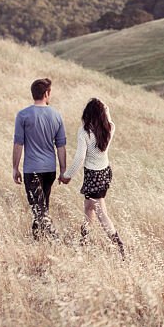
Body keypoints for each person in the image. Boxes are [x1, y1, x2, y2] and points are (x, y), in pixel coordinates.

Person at [59, 98, 125, 259]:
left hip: (93, 176)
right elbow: (108, 118)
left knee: (102, 214)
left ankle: (119, 246)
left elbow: (80, 158)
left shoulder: (85, 132)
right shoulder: (109, 128)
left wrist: (67, 176)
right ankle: (84, 240)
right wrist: (105, 110)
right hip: (104, 173)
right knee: (88, 207)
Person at [13, 78, 67, 240]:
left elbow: (18, 144)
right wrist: (63, 169)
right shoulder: (56, 115)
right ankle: (38, 241)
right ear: (46, 93)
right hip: (50, 169)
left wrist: (15, 168)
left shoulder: (23, 115)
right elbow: (61, 146)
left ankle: (56, 240)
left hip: (32, 169)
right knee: (41, 208)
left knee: (38, 209)